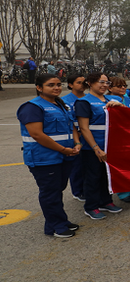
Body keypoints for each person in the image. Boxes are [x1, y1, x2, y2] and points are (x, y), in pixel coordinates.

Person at [17, 74, 82, 237]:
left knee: (57, 190)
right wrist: (63, 149)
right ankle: (56, 227)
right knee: (50, 192)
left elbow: (71, 126)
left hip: (63, 156)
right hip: (44, 159)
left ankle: (59, 221)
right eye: (51, 85)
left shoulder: (60, 104)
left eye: (59, 84)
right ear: (39, 88)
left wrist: (76, 143)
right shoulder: (33, 107)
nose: (56, 88)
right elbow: (37, 134)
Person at [76, 72, 125, 220]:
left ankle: (106, 201)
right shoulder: (84, 102)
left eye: (107, 83)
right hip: (93, 148)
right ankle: (91, 206)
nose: (104, 85)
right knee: (93, 176)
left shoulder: (112, 99)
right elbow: (84, 128)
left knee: (107, 176)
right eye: (100, 82)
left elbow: (127, 117)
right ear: (90, 83)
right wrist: (96, 148)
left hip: (111, 145)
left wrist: (120, 105)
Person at [106, 77, 130, 202]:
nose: (123, 88)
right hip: (117, 139)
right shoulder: (107, 102)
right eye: (119, 86)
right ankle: (123, 193)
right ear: (110, 88)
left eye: (124, 85)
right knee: (120, 166)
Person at [61, 74, 86, 202]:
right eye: (79, 82)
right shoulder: (64, 101)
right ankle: (78, 191)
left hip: (89, 135)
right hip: (75, 135)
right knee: (77, 165)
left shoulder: (89, 98)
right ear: (70, 85)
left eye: (84, 82)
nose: (82, 85)